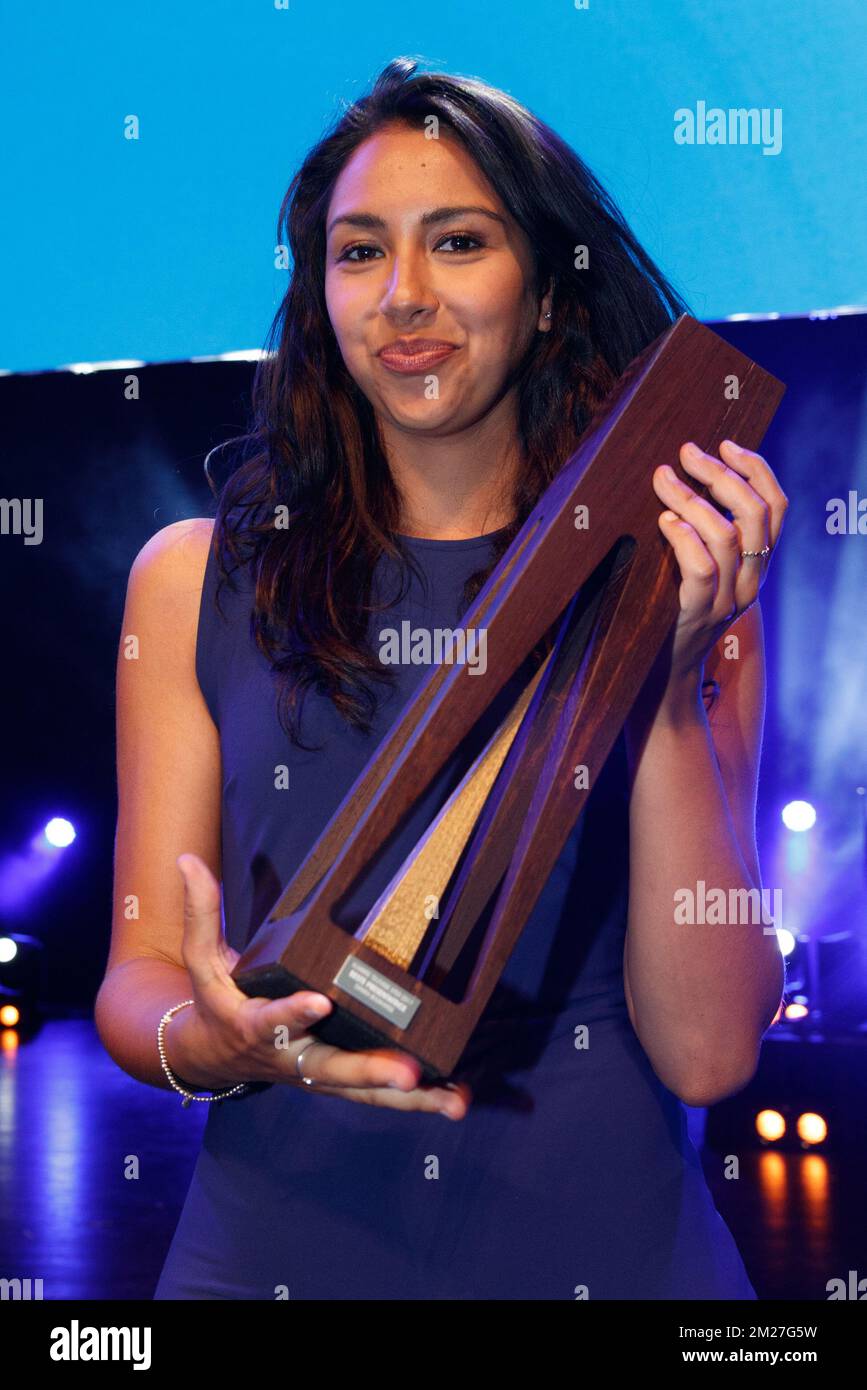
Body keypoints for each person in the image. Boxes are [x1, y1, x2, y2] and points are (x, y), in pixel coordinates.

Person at [95, 57, 788, 1300]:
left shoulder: (686, 573)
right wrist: (213, 1041)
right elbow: (138, 978)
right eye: (359, 253)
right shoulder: (192, 579)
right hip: (264, 1261)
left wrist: (671, 691)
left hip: (613, 1262)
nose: (404, 296)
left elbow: (709, 1051)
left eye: (458, 242)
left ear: (546, 295)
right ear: (319, 297)